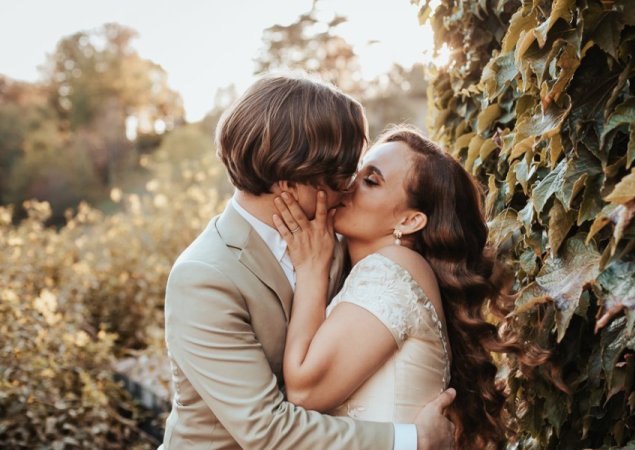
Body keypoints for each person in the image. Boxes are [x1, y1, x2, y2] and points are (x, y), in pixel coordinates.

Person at [160, 75, 456, 450]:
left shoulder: (339, 243)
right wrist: (412, 440)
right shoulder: (204, 277)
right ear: (289, 181)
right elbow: (266, 429)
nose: (348, 187)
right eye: (340, 176)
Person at [272, 126, 545, 449]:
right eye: (357, 172)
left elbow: (304, 392)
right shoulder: (395, 271)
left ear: (409, 221)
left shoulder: (391, 269)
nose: (348, 184)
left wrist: (311, 270)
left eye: (370, 181)